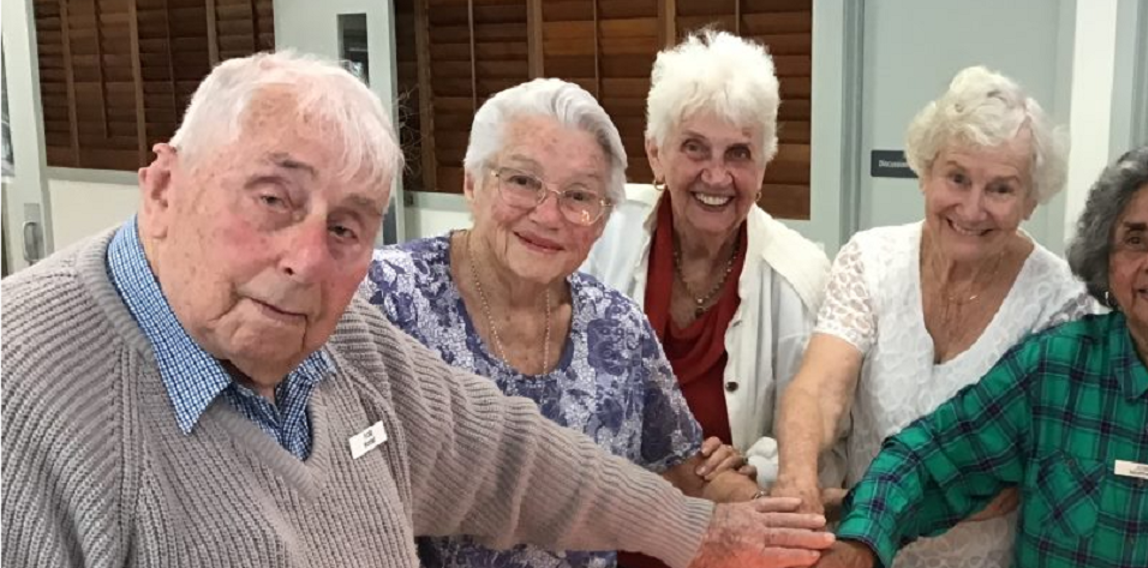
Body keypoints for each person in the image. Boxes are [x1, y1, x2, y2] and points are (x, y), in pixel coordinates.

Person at [0, 51, 833, 568]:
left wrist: (703, 533)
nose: (305, 258)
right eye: (271, 198)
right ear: (163, 187)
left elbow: (514, 462)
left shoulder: (341, 341)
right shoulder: (25, 389)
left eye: (348, 226)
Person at [813, 140, 1148, 568]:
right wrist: (863, 540)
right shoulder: (1053, 369)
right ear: (1107, 260)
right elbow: (930, 457)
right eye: (1134, 240)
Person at [362, 78, 762, 568]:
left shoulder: (616, 328)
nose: (549, 215)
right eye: (522, 181)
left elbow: (684, 465)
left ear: (601, 219)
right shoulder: (382, 297)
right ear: (472, 182)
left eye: (579, 196)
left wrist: (763, 508)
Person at [773, 65, 1100, 567]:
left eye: (1001, 188)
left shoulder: (1062, 304)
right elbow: (819, 390)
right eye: (957, 177)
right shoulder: (870, 259)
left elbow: (1013, 478)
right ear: (925, 173)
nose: (972, 208)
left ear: (1032, 200)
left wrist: (874, 520)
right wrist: (798, 483)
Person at [582, 30, 831, 500]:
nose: (716, 176)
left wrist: (758, 465)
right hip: (603, 523)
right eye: (694, 147)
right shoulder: (601, 233)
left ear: (764, 164)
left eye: (739, 152)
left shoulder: (799, 274)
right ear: (656, 153)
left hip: (722, 529)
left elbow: (826, 437)